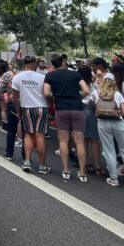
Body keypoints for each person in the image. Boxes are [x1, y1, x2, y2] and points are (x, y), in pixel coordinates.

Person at [44, 53, 90, 182]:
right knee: (79, 141)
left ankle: (65, 170)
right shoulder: (75, 74)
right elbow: (86, 90)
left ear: (53, 64)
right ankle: (82, 172)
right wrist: (77, 97)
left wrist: (57, 95)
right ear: (63, 62)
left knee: (63, 141)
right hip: (77, 109)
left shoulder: (50, 75)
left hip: (61, 109)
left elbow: (46, 93)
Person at [92, 73, 124, 189]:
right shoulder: (117, 94)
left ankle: (113, 178)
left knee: (108, 150)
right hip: (118, 123)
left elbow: (90, 104)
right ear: (114, 82)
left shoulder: (96, 93)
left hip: (102, 123)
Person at [11, 54, 50, 174]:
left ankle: (27, 161)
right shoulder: (42, 77)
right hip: (41, 107)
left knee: (28, 134)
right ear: (34, 63)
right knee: (40, 135)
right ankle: (42, 165)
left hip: (27, 108)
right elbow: (47, 94)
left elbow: (15, 97)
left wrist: (18, 111)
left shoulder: (17, 77)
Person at [78, 64, 103, 177]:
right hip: (93, 112)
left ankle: (85, 164)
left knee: (83, 140)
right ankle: (97, 166)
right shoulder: (94, 85)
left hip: (81, 111)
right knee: (94, 140)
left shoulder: (78, 85)